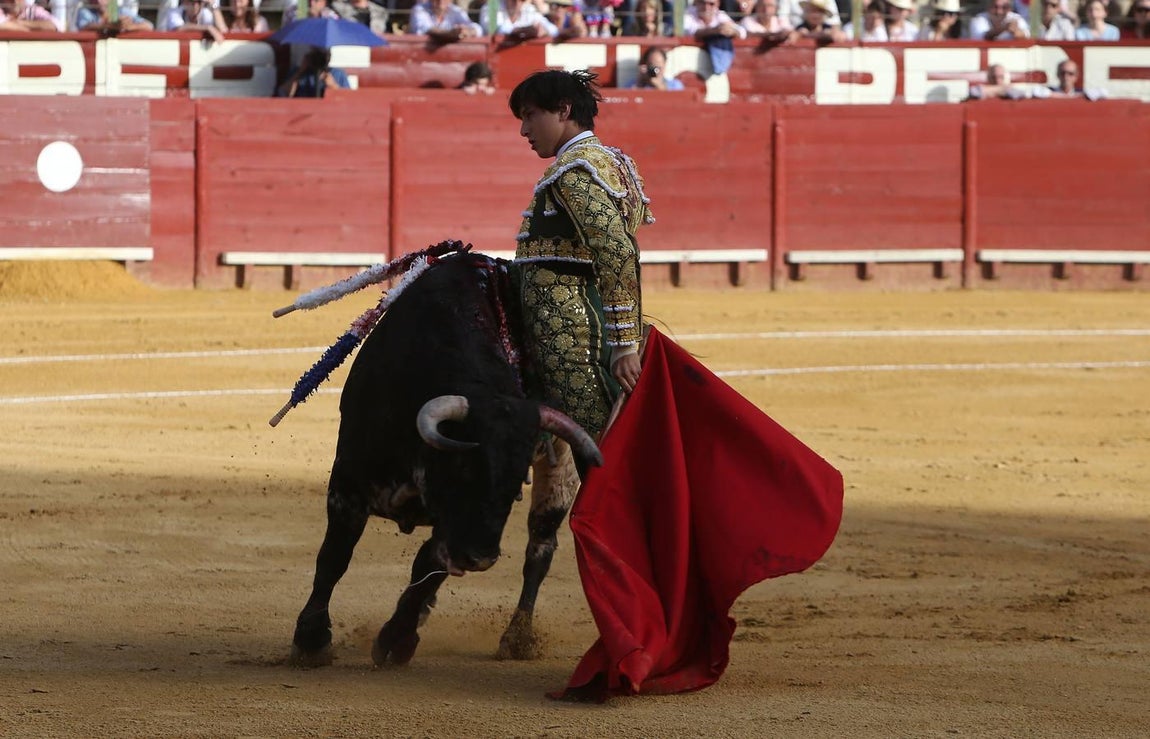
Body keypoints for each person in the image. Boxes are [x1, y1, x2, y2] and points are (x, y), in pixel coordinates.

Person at [507, 69, 651, 442]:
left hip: (573, 338)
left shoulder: (574, 172)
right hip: (594, 318)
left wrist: (625, 344)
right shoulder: (612, 162)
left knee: (599, 443)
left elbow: (618, 251)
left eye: (530, 115)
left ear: (563, 110)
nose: (524, 130)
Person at [278, 46, 351, 97]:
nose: (319, 59)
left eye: (323, 55)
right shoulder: (298, 72)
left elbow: (349, 100)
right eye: (316, 55)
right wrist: (300, 72)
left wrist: (333, 86)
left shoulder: (338, 74)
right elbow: (282, 93)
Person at [481, 0, 558, 44]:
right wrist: (520, 31)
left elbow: (554, 30)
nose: (519, 2)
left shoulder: (528, 9)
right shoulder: (491, 7)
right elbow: (495, 29)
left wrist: (543, 31)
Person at [409, 0, 483, 39]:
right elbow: (425, 29)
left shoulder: (456, 11)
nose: (441, 1)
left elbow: (477, 28)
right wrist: (450, 34)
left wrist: (468, 31)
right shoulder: (419, 9)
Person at [157, 0, 227, 40]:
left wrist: (213, 4)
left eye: (199, 2)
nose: (195, 5)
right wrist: (207, 28)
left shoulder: (205, 13)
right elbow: (179, 28)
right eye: (192, 1)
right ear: (184, 2)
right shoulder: (174, 12)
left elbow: (223, 30)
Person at [682, 0, 746, 39]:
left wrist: (733, 31)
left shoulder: (719, 15)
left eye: (711, 4)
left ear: (718, 4)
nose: (706, 7)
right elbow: (690, 32)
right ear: (696, 2)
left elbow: (742, 32)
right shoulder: (688, 14)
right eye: (703, 3)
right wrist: (715, 31)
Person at [74, 0, 153, 31]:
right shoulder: (86, 11)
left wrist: (128, 27)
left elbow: (149, 26)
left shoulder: (121, 10)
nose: (99, 1)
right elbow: (84, 27)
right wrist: (109, 26)